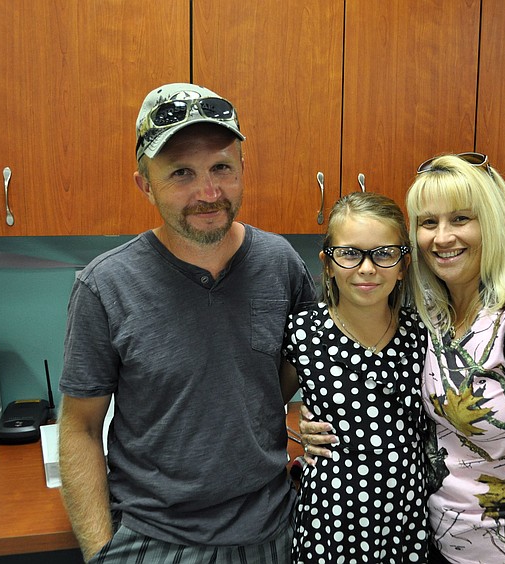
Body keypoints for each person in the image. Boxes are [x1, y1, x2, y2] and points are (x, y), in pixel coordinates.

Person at [57, 83, 317, 564]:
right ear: (145, 184)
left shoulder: (282, 265)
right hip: (156, 539)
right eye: (181, 173)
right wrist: (100, 552)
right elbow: (79, 429)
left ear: (242, 169)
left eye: (222, 167)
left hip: (275, 532)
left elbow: (280, 381)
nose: (209, 192)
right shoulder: (106, 286)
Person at [302, 153, 505, 564]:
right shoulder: (434, 313)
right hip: (443, 542)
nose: (442, 237)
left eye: (460, 219)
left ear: (493, 223)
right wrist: (306, 426)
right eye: (428, 222)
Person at [283, 191, 429, 563]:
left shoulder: (424, 334)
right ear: (328, 264)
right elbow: (265, 406)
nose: (367, 268)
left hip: (406, 517)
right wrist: (300, 428)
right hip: (330, 522)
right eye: (350, 253)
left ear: (402, 264)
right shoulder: (302, 333)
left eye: (383, 253)